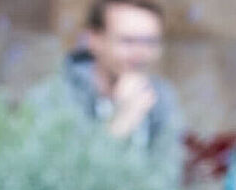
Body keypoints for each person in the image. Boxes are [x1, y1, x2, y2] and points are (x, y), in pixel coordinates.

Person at [38, 0, 181, 155]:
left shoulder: (160, 95)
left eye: (150, 42)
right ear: (93, 39)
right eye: (128, 41)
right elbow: (59, 167)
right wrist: (121, 122)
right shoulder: (57, 96)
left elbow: (169, 164)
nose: (141, 52)